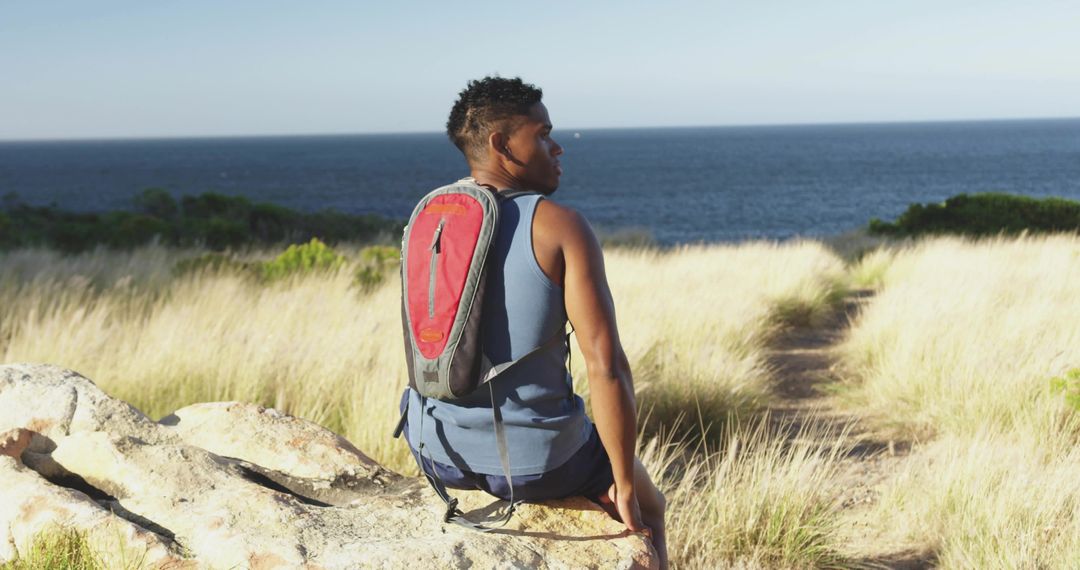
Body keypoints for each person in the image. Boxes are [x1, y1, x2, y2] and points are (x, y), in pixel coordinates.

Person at [400, 76, 667, 567]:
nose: (557, 146)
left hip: (434, 450)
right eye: (542, 134)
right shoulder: (560, 225)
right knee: (652, 505)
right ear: (502, 144)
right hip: (539, 464)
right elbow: (606, 367)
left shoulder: (430, 217)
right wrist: (624, 483)